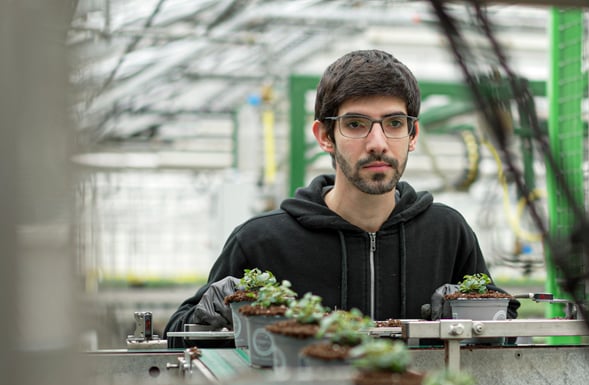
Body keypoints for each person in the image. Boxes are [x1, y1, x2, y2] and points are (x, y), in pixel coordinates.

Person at [166, 49, 517, 347]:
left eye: (394, 123)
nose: (378, 142)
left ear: (412, 134)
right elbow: (176, 338)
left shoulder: (447, 232)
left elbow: (506, 334)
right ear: (324, 136)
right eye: (356, 124)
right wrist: (207, 314)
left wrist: (479, 314)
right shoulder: (262, 241)